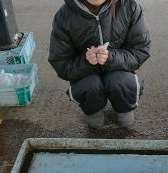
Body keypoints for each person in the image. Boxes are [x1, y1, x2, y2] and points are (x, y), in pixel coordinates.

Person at [48, 0, 151, 129]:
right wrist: (86, 61)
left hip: (119, 69)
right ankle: (94, 112)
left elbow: (140, 50)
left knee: (121, 82)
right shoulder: (63, 16)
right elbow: (61, 64)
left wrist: (111, 58)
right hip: (85, 73)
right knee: (89, 86)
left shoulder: (129, 6)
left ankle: (124, 109)